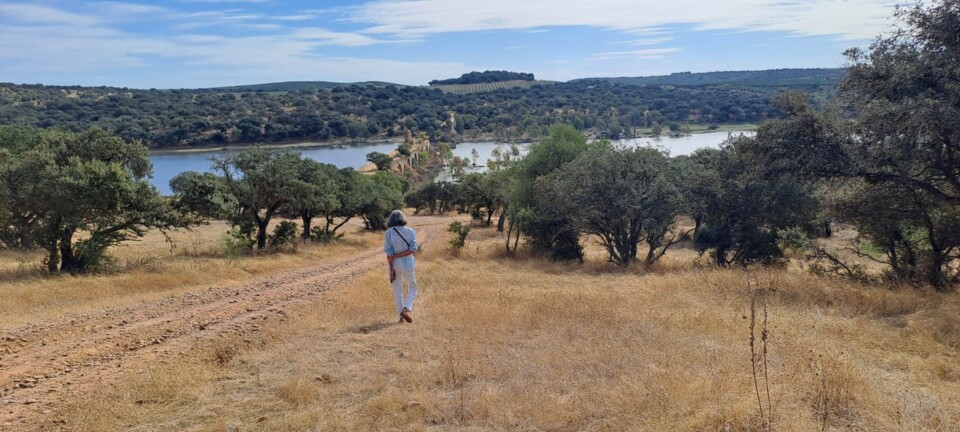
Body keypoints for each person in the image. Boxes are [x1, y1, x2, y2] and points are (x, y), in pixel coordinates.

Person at [383, 210, 419, 323]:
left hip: (394, 265)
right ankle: (406, 309)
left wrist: (391, 270)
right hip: (408, 264)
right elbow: (413, 249)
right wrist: (399, 255)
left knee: (398, 291)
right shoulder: (411, 231)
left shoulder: (388, 233)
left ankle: (400, 318)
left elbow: (389, 254)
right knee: (413, 287)